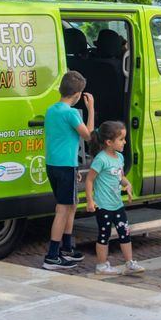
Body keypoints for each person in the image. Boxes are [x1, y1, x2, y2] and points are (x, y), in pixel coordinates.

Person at [42, 71, 95, 270]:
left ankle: (66, 248)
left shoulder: (51, 110)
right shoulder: (71, 113)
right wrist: (90, 109)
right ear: (77, 95)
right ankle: (52, 255)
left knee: (71, 205)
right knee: (63, 209)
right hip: (65, 166)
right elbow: (89, 135)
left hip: (54, 164)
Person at [85, 121, 144, 275]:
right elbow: (90, 180)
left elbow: (121, 176)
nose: (125, 142)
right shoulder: (101, 159)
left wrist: (128, 184)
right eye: (121, 139)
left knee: (125, 232)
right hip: (103, 206)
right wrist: (90, 200)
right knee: (104, 234)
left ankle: (129, 263)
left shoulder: (119, 157)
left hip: (117, 204)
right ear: (109, 142)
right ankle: (101, 265)